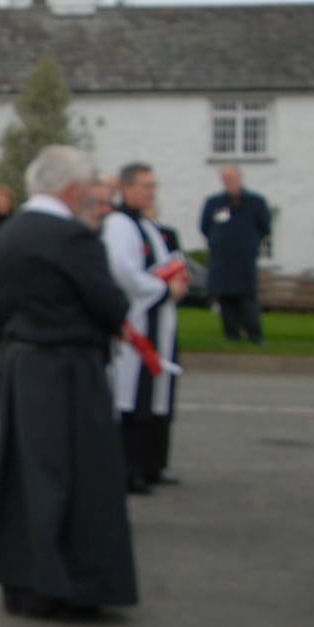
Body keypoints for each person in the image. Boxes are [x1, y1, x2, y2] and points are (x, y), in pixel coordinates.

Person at [0, 145, 138, 619]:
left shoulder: (10, 233)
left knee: (28, 476)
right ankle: (73, 585)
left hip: (21, 366)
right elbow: (111, 306)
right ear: (71, 188)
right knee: (77, 478)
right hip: (67, 368)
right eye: (85, 189)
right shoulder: (72, 239)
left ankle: (26, 584)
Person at [102, 164, 188, 496]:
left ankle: (153, 464)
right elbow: (123, 270)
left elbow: (163, 262)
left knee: (156, 395)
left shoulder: (147, 224)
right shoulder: (119, 224)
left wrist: (175, 279)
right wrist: (163, 290)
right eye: (145, 186)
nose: (151, 192)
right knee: (133, 398)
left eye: (154, 185)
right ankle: (129, 470)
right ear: (127, 188)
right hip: (138, 320)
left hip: (159, 320)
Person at [199, 165, 270, 345]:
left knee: (246, 298)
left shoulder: (255, 202)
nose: (229, 182)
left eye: (232, 178)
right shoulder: (214, 203)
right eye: (225, 179)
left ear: (240, 178)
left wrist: (249, 243)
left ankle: (255, 335)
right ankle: (232, 335)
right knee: (225, 298)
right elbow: (205, 227)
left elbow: (264, 228)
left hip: (244, 261)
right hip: (222, 260)